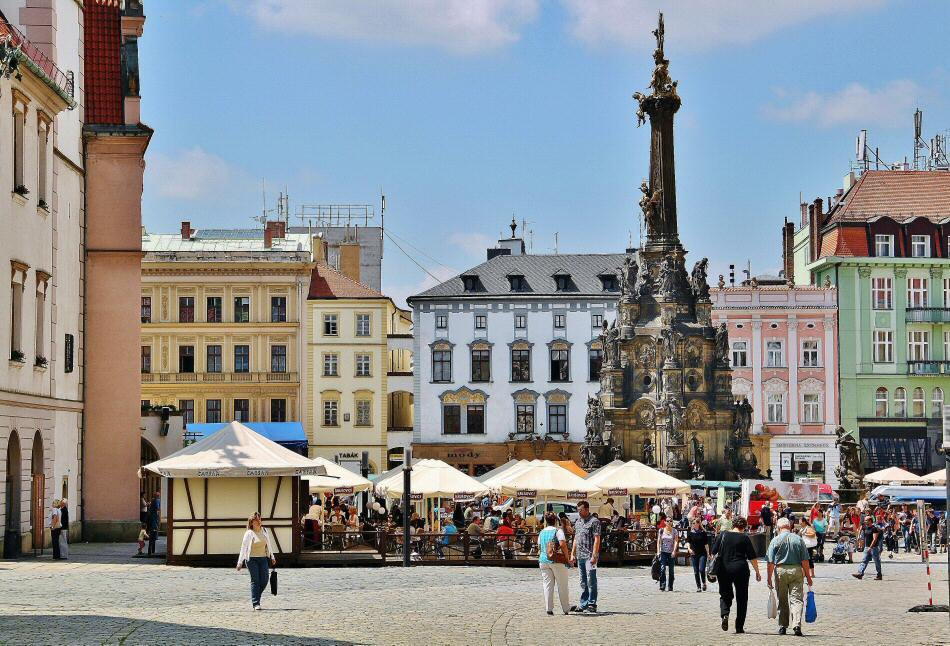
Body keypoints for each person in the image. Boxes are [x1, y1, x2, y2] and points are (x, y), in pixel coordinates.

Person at [712, 516, 761, 634]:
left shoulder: (723, 535)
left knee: (725, 594)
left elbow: (713, 552)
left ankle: (725, 614)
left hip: (723, 568)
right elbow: (752, 557)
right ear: (744, 527)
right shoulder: (745, 538)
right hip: (741, 569)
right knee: (742, 598)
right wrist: (757, 572)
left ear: (732, 525)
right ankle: (739, 626)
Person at [766, 517, 813, 636]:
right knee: (797, 599)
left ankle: (783, 626)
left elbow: (770, 561)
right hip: (796, 570)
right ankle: (796, 625)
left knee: (782, 600)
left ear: (778, 527)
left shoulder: (775, 540)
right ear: (790, 526)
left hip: (780, 571)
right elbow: (805, 560)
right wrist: (808, 576)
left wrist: (769, 577)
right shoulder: (798, 539)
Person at [236, 513, 277, 610]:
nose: (259, 522)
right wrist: (240, 562)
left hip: (263, 558)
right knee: (255, 581)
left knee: (265, 580)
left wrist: (272, 556)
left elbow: (269, 545)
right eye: (256, 521)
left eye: (260, 520)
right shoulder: (249, 533)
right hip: (251, 559)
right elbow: (243, 548)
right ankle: (256, 603)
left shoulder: (265, 531)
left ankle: (256, 596)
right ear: (251, 523)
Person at [570, 500, 601, 613]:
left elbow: (597, 539)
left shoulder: (594, 521)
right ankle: (584, 603)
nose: (579, 512)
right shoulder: (578, 522)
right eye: (578, 510)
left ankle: (592, 603)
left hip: (589, 555)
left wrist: (594, 555)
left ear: (587, 509)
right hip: (580, 555)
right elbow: (575, 539)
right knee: (583, 581)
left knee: (591, 580)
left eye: (581, 510)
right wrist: (572, 554)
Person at [538, 512, 571, 616]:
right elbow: (562, 544)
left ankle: (549, 608)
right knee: (562, 585)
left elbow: (539, 546)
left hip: (543, 560)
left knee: (547, 585)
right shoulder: (558, 531)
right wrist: (567, 558)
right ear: (556, 521)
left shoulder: (542, 532)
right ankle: (565, 608)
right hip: (557, 560)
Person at [852, 515, 883, 580]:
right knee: (864, 560)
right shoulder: (866, 528)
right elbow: (864, 537)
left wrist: (870, 547)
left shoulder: (874, 528)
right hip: (867, 547)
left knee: (877, 561)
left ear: (870, 521)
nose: (864, 521)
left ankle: (879, 574)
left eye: (866, 520)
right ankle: (860, 573)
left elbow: (875, 539)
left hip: (874, 548)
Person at [686, 517, 710, 592]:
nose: (693, 525)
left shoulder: (703, 533)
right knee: (696, 571)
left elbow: (706, 544)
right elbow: (688, 542)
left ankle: (704, 583)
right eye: (692, 523)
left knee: (702, 569)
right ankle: (698, 587)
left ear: (698, 524)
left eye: (694, 523)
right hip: (694, 553)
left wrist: (708, 553)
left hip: (702, 553)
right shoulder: (690, 532)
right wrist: (689, 549)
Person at [656, 519, 679, 592]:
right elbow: (659, 541)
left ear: (672, 522)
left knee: (671, 570)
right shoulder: (661, 530)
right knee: (662, 568)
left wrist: (674, 551)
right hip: (663, 552)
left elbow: (676, 541)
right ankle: (662, 585)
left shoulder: (675, 531)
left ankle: (670, 586)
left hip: (671, 552)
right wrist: (658, 551)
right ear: (665, 522)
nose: (669, 522)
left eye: (670, 521)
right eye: (667, 521)